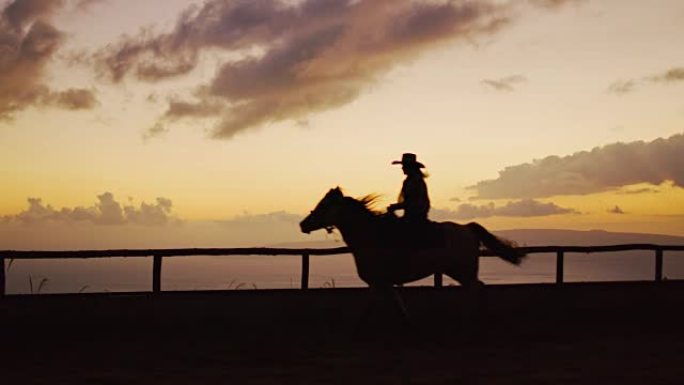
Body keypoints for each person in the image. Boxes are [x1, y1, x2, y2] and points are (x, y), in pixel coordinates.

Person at [387, 153, 430, 223]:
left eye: (404, 166)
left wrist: (396, 206)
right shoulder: (409, 181)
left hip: (416, 216)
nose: (402, 168)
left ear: (410, 167)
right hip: (410, 215)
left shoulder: (416, 181)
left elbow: (414, 202)